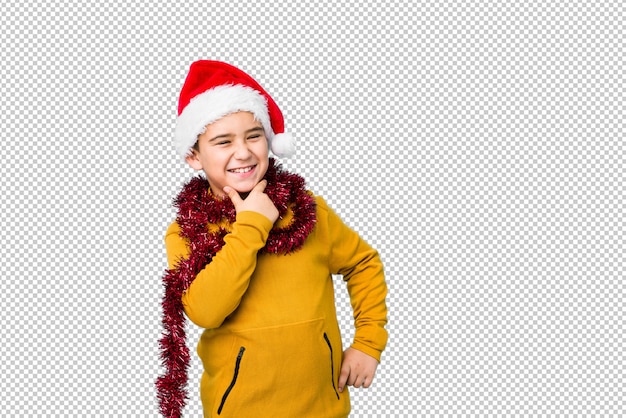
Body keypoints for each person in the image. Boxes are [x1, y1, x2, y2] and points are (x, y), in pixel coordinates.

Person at [156, 60, 388, 418]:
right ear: (194, 156)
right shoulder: (187, 230)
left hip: (323, 408)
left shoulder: (309, 211)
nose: (244, 152)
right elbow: (205, 311)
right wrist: (250, 227)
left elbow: (363, 263)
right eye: (223, 141)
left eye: (253, 135)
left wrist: (368, 344)